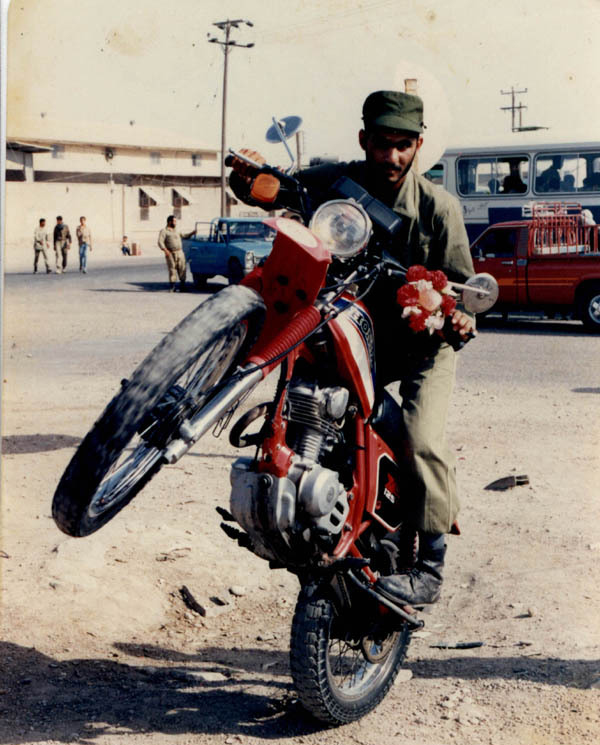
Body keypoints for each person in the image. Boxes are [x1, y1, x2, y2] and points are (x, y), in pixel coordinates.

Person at [230, 90, 476, 607]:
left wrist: (459, 316)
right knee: (310, 410)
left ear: (419, 146)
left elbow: (463, 289)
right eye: (382, 144)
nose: (392, 156)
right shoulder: (337, 183)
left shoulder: (438, 209)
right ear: (364, 140)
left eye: (403, 145)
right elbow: (280, 191)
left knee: (420, 438)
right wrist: (249, 178)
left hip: (422, 344)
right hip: (356, 334)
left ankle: (429, 567)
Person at [157, 215, 193, 292]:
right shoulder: (164, 231)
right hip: (170, 253)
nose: (175, 223)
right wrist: (165, 250)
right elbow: (160, 242)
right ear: (169, 222)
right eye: (174, 221)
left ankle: (183, 287)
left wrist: (192, 233)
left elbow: (184, 236)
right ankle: (172, 287)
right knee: (172, 270)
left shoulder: (177, 230)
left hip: (180, 252)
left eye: (176, 221)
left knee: (182, 268)